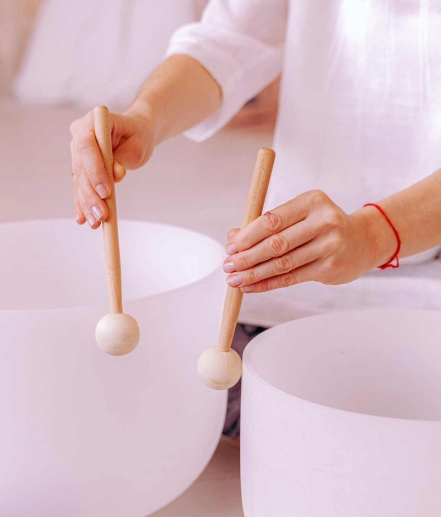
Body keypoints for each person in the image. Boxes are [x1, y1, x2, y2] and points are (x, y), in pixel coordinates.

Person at [70, 1, 441, 436]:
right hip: (304, 263)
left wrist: (375, 234)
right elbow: (228, 40)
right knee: (183, 407)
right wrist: (146, 116)